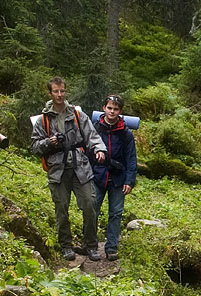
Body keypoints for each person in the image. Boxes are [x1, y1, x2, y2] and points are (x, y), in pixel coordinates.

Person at [31, 77, 107, 261]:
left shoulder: (77, 114)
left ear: (66, 91)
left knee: (90, 205)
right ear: (50, 93)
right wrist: (49, 142)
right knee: (61, 208)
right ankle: (66, 245)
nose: (59, 95)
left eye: (62, 91)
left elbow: (92, 135)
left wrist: (99, 149)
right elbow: (34, 147)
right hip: (57, 170)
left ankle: (91, 245)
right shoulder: (42, 120)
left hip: (80, 166)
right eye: (56, 91)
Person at [91, 94, 137, 261]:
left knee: (116, 213)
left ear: (120, 111)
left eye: (115, 109)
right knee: (92, 210)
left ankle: (111, 247)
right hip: (98, 176)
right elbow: (87, 152)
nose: (112, 111)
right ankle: (90, 245)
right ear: (104, 108)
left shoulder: (126, 133)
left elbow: (131, 158)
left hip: (118, 178)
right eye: (109, 108)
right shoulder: (95, 128)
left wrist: (129, 180)